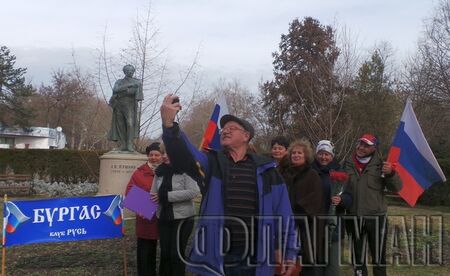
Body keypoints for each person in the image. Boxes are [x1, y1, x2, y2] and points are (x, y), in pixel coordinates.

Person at [160, 94, 298, 276]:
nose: (225, 130)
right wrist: (169, 126)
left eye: (232, 128)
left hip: (255, 258)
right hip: (218, 258)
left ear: (246, 136)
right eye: (223, 128)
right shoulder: (212, 163)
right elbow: (186, 156)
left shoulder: (268, 171)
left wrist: (290, 252)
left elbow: (285, 215)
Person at [342, 134, 402, 276]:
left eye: (366, 145)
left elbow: (397, 187)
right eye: (360, 143)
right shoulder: (346, 163)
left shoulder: (382, 165)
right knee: (357, 257)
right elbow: (339, 188)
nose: (361, 147)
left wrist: (391, 173)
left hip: (376, 218)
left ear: (374, 148)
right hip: (353, 216)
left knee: (378, 257)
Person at [279, 139, 325, 276]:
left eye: (299, 153)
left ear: (306, 156)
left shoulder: (312, 175)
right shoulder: (284, 174)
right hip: (284, 226)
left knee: (303, 266)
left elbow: (314, 201)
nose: (296, 155)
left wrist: (293, 212)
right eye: (293, 153)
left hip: (305, 228)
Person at [150, 151, 200, 276]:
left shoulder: (186, 169)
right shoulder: (159, 171)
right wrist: (140, 207)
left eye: (168, 152)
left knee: (176, 253)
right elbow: (154, 194)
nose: (165, 155)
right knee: (165, 253)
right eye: (163, 153)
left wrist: (166, 196)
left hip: (182, 218)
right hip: (163, 217)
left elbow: (193, 191)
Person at [311, 140, 352, 276]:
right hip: (314, 227)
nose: (323, 157)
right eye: (321, 154)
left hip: (334, 227)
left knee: (332, 267)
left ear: (332, 156)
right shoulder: (309, 171)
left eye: (327, 154)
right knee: (315, 266)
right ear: (316, 154)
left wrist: (341, 200)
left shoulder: (340, 172)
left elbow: (349, 197)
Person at [125, 142, 163, 276]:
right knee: (145, 251)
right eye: (151, 155)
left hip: (164, 217)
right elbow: (129, 191)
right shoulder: (139, 173)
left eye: (157, 155)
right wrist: (142, 208)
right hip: (145, 217)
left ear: (162, 156)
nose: (154, 157)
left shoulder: (168, 171)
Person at [108, 64, 143, 152]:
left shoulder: (137, 82)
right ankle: (123, 144)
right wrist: (128, 86)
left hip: (130, 106)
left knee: (130, 124)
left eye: (131, 71)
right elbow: (115, 90)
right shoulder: (119, 81)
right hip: (118, 105)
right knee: (120, 125)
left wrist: (124, 90)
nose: (130, 72)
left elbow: (134, 93)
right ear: (124, 72)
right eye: (128, 71)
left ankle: (129, 144)